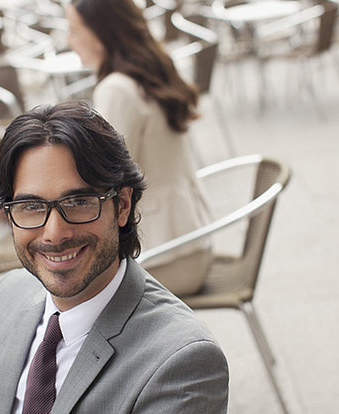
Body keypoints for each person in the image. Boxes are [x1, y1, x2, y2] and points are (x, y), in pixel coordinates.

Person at [0, 101, 228, 413]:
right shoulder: (4, 299)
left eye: (79, 201)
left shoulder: (181, 360)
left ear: (123, 205)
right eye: (31, 207)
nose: (55, 233)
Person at [65, 0, 214, 296]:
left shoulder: (116, 88)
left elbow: (100, 176)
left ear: (101, 32)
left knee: (63, 281)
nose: (69, 41)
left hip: (162, 257)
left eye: (74, 30)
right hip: (191, 241)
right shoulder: (152, 69)